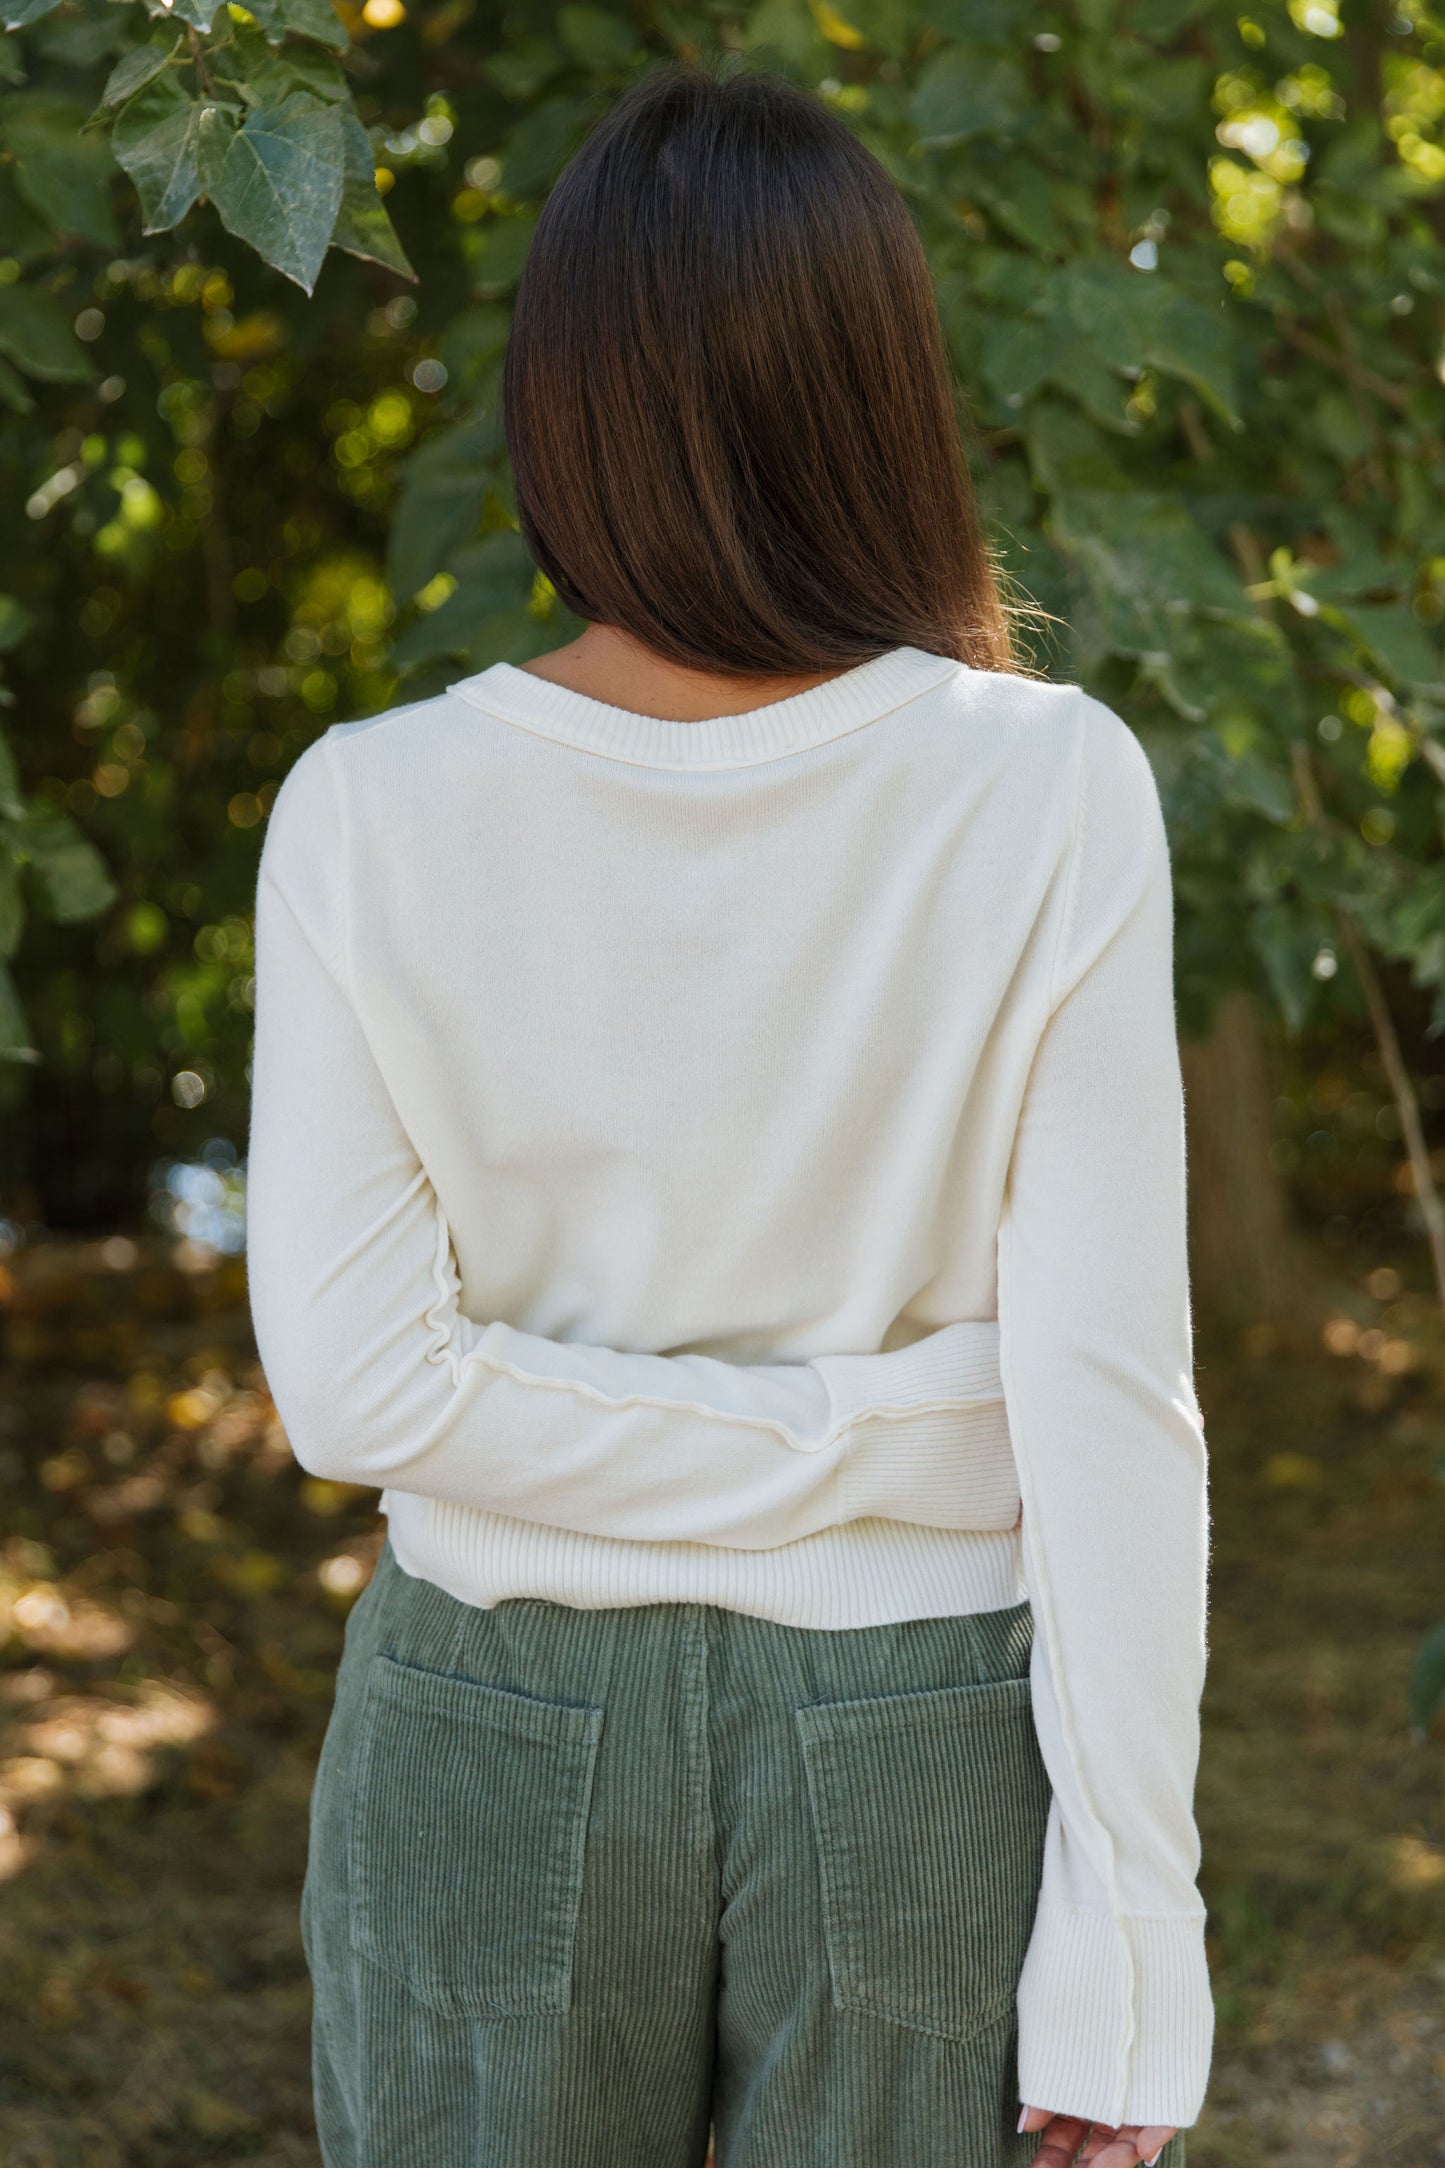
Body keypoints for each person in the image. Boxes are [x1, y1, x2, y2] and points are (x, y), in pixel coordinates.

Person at [245, 57, 1213, 2168]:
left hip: (487, 1710)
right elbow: (1098, 1398)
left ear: (563, 399)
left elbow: (377, 1390)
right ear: (886, 396)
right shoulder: (1049, 788)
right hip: (920, 1717)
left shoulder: (370, 812)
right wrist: (879, 1436)